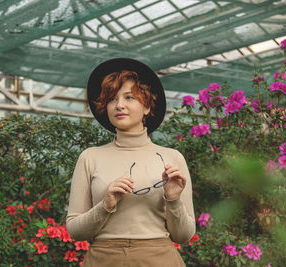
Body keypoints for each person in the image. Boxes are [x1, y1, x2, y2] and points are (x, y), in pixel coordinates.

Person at [66, 58, 195, 267]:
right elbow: (75, 230)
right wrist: (105, 205)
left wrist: (173, 200)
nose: (119, 105)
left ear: (147, 106)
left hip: (160, 259)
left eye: (129, 97)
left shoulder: (173, 158)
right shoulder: (90, 157)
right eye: (112, 99)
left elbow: (183, 235)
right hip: (103, 260)